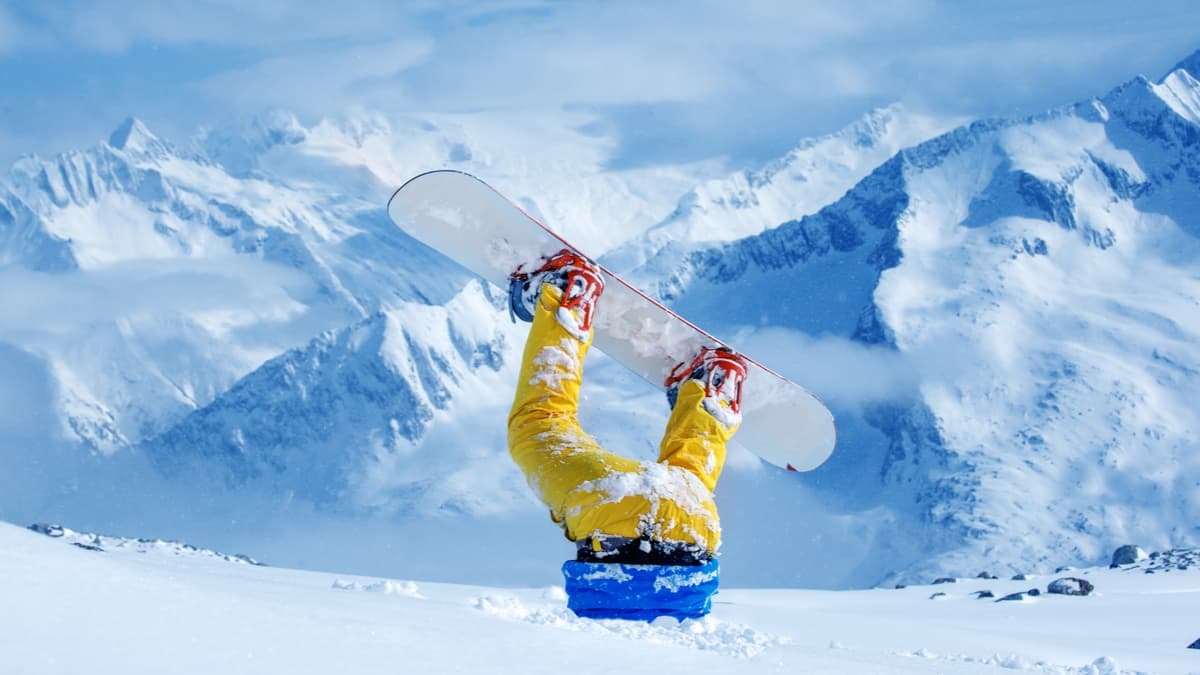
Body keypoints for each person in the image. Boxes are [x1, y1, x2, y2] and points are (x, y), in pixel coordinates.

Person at [506, 248, 747, 621]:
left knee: (685, 478)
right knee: (539, 425)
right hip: (609, 510)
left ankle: (714, 392)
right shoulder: (606, 652)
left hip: (693, 523)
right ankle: (567, 296)